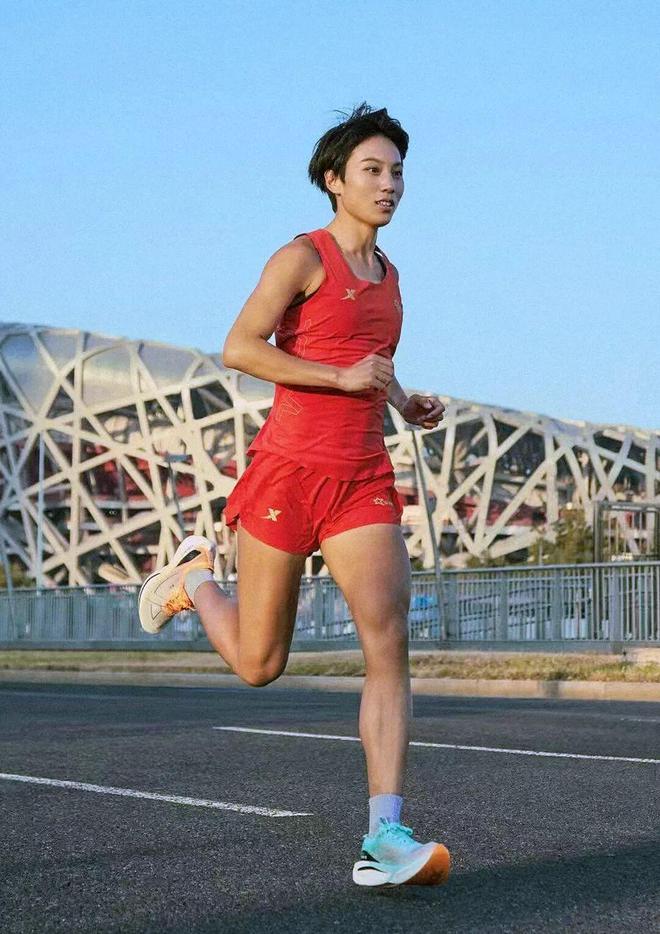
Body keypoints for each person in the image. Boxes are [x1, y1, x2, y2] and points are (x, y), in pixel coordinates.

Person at [138, 103, 450, 887]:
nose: (389, 184)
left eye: (397, 171)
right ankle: (194, 579)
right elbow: (240, 348)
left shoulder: (391, 278)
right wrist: (341, 377)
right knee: (259, 663)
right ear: (334, 180)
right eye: (373, 171)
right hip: (287, 473)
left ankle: (385, 835)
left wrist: (403, 401)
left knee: (388, 643)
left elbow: (370, 361)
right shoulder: (301, 258)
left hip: (361, 480)